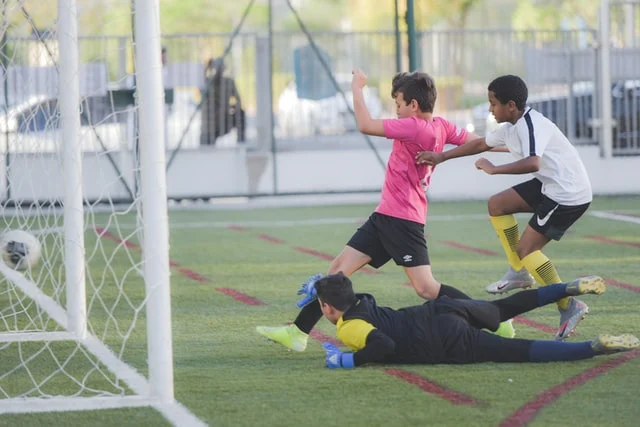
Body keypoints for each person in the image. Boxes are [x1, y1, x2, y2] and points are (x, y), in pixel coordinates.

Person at [256, 69, 515, 352]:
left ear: (413, 106)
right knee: (337, 272)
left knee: (426, 289)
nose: (397, 111)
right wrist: (512, 146)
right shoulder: (441, 126)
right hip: (386, 217)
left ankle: (494, 319)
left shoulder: (414, 126)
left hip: (402, 220)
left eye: (399, 105)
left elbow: (365, 124)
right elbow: (477, 141)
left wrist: (356, 88)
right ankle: (298, 332)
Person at [416, 75, 593, 341]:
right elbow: (480, 144)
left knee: (527, 250)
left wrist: (495, 170)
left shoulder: (532, 125)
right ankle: (518, 272)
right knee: (497, 205)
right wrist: (442, 157)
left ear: (511, 105)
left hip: (568, 193)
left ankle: (568, 305)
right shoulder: (511, 125)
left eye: (493, 103)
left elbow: (534, 163)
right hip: (550, 184)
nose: (489, 109)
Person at [312, 273, 638, 368]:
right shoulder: (362, 300)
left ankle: (593, 348)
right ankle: (566, 288)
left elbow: (383, 344)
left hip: (442, 339)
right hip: (444, 309)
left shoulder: (349, 326)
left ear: (328, 309)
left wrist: (348, 360)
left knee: (518, 351)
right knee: (505, 307)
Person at [200, 57, 246, 145]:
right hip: (211, 125)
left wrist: (228, 108)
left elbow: (238, 101)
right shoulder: (208, 82)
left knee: (241, 114)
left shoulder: (228, 82)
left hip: (223, 120)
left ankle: (241, 142)